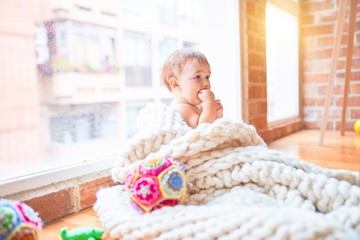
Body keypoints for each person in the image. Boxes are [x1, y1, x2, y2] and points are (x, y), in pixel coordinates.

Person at [161, 48, 223, 128]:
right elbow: (201, 129)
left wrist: (216, 114)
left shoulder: (198, 105)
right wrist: (209, 104)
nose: (206, 83)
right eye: (197, 77)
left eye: (207, 77)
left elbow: (212, 127)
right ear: (176, 84)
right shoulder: (180, 108)